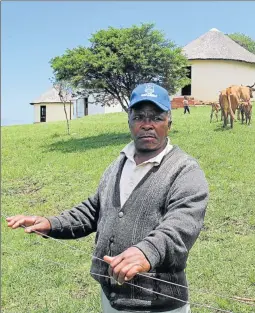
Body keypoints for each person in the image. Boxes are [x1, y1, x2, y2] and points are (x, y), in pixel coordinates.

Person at [6, 83, 209, 313]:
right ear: (129, 122)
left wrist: (147, 251)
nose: (147, 124)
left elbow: (183, 225)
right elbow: (95, 209)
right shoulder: (120, 162)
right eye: (139, 116)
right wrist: (52, 224)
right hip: (111, 299)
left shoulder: (185, 170)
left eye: (156, 117)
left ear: (169, 123)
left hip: (157, 304)